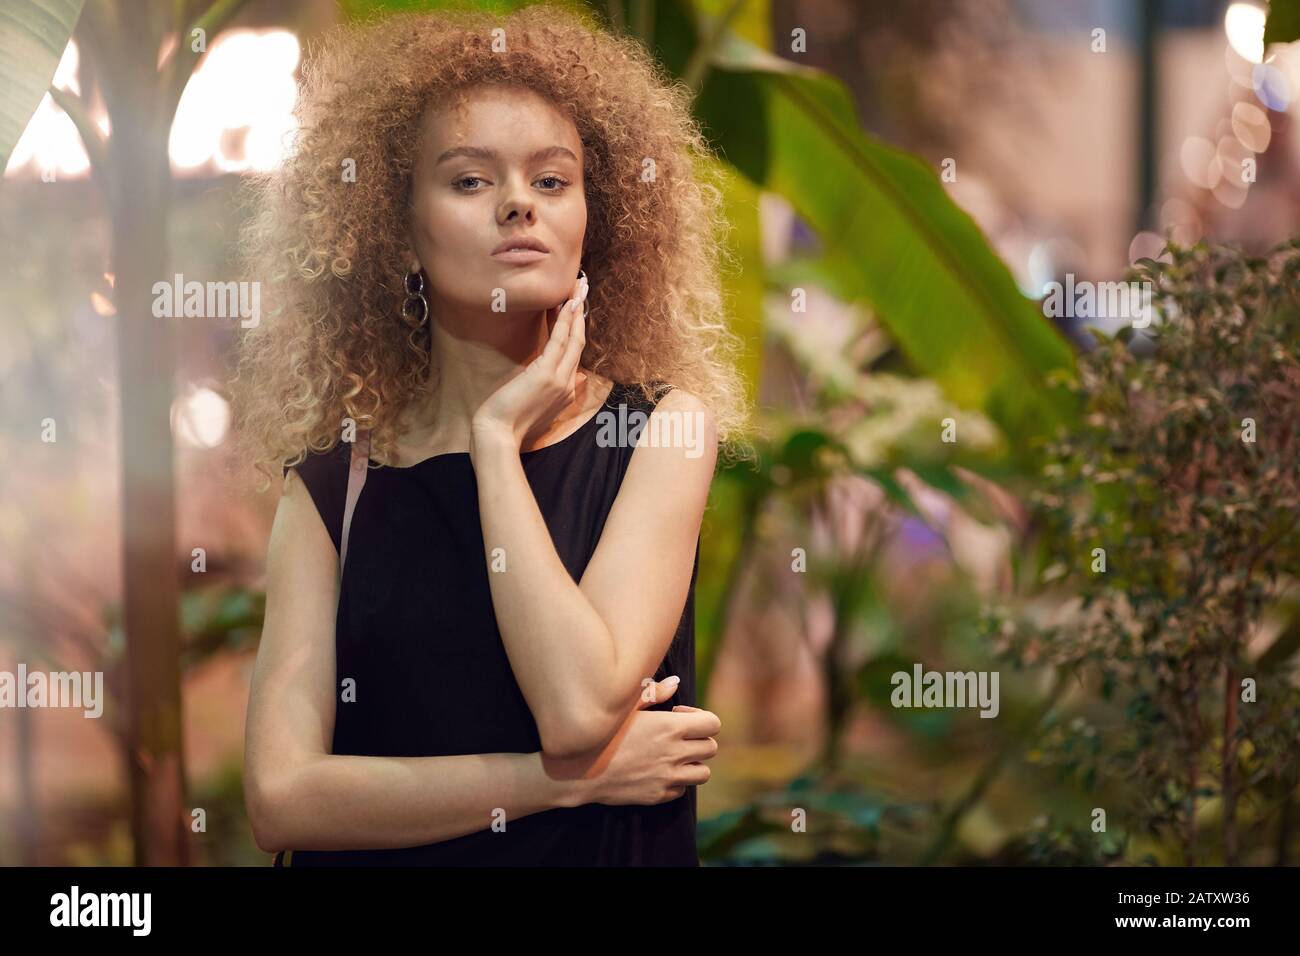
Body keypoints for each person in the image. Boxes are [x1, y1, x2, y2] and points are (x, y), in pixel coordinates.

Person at [230, 5, 751, 865]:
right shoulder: (334, 486)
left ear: (592, 217)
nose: (518, 204)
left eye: (552, 181)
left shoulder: (660, 430)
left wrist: (498, 443)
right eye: (470, 181)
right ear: (396, 233)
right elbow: (283, 801)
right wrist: (564, 781)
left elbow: (578, 707)